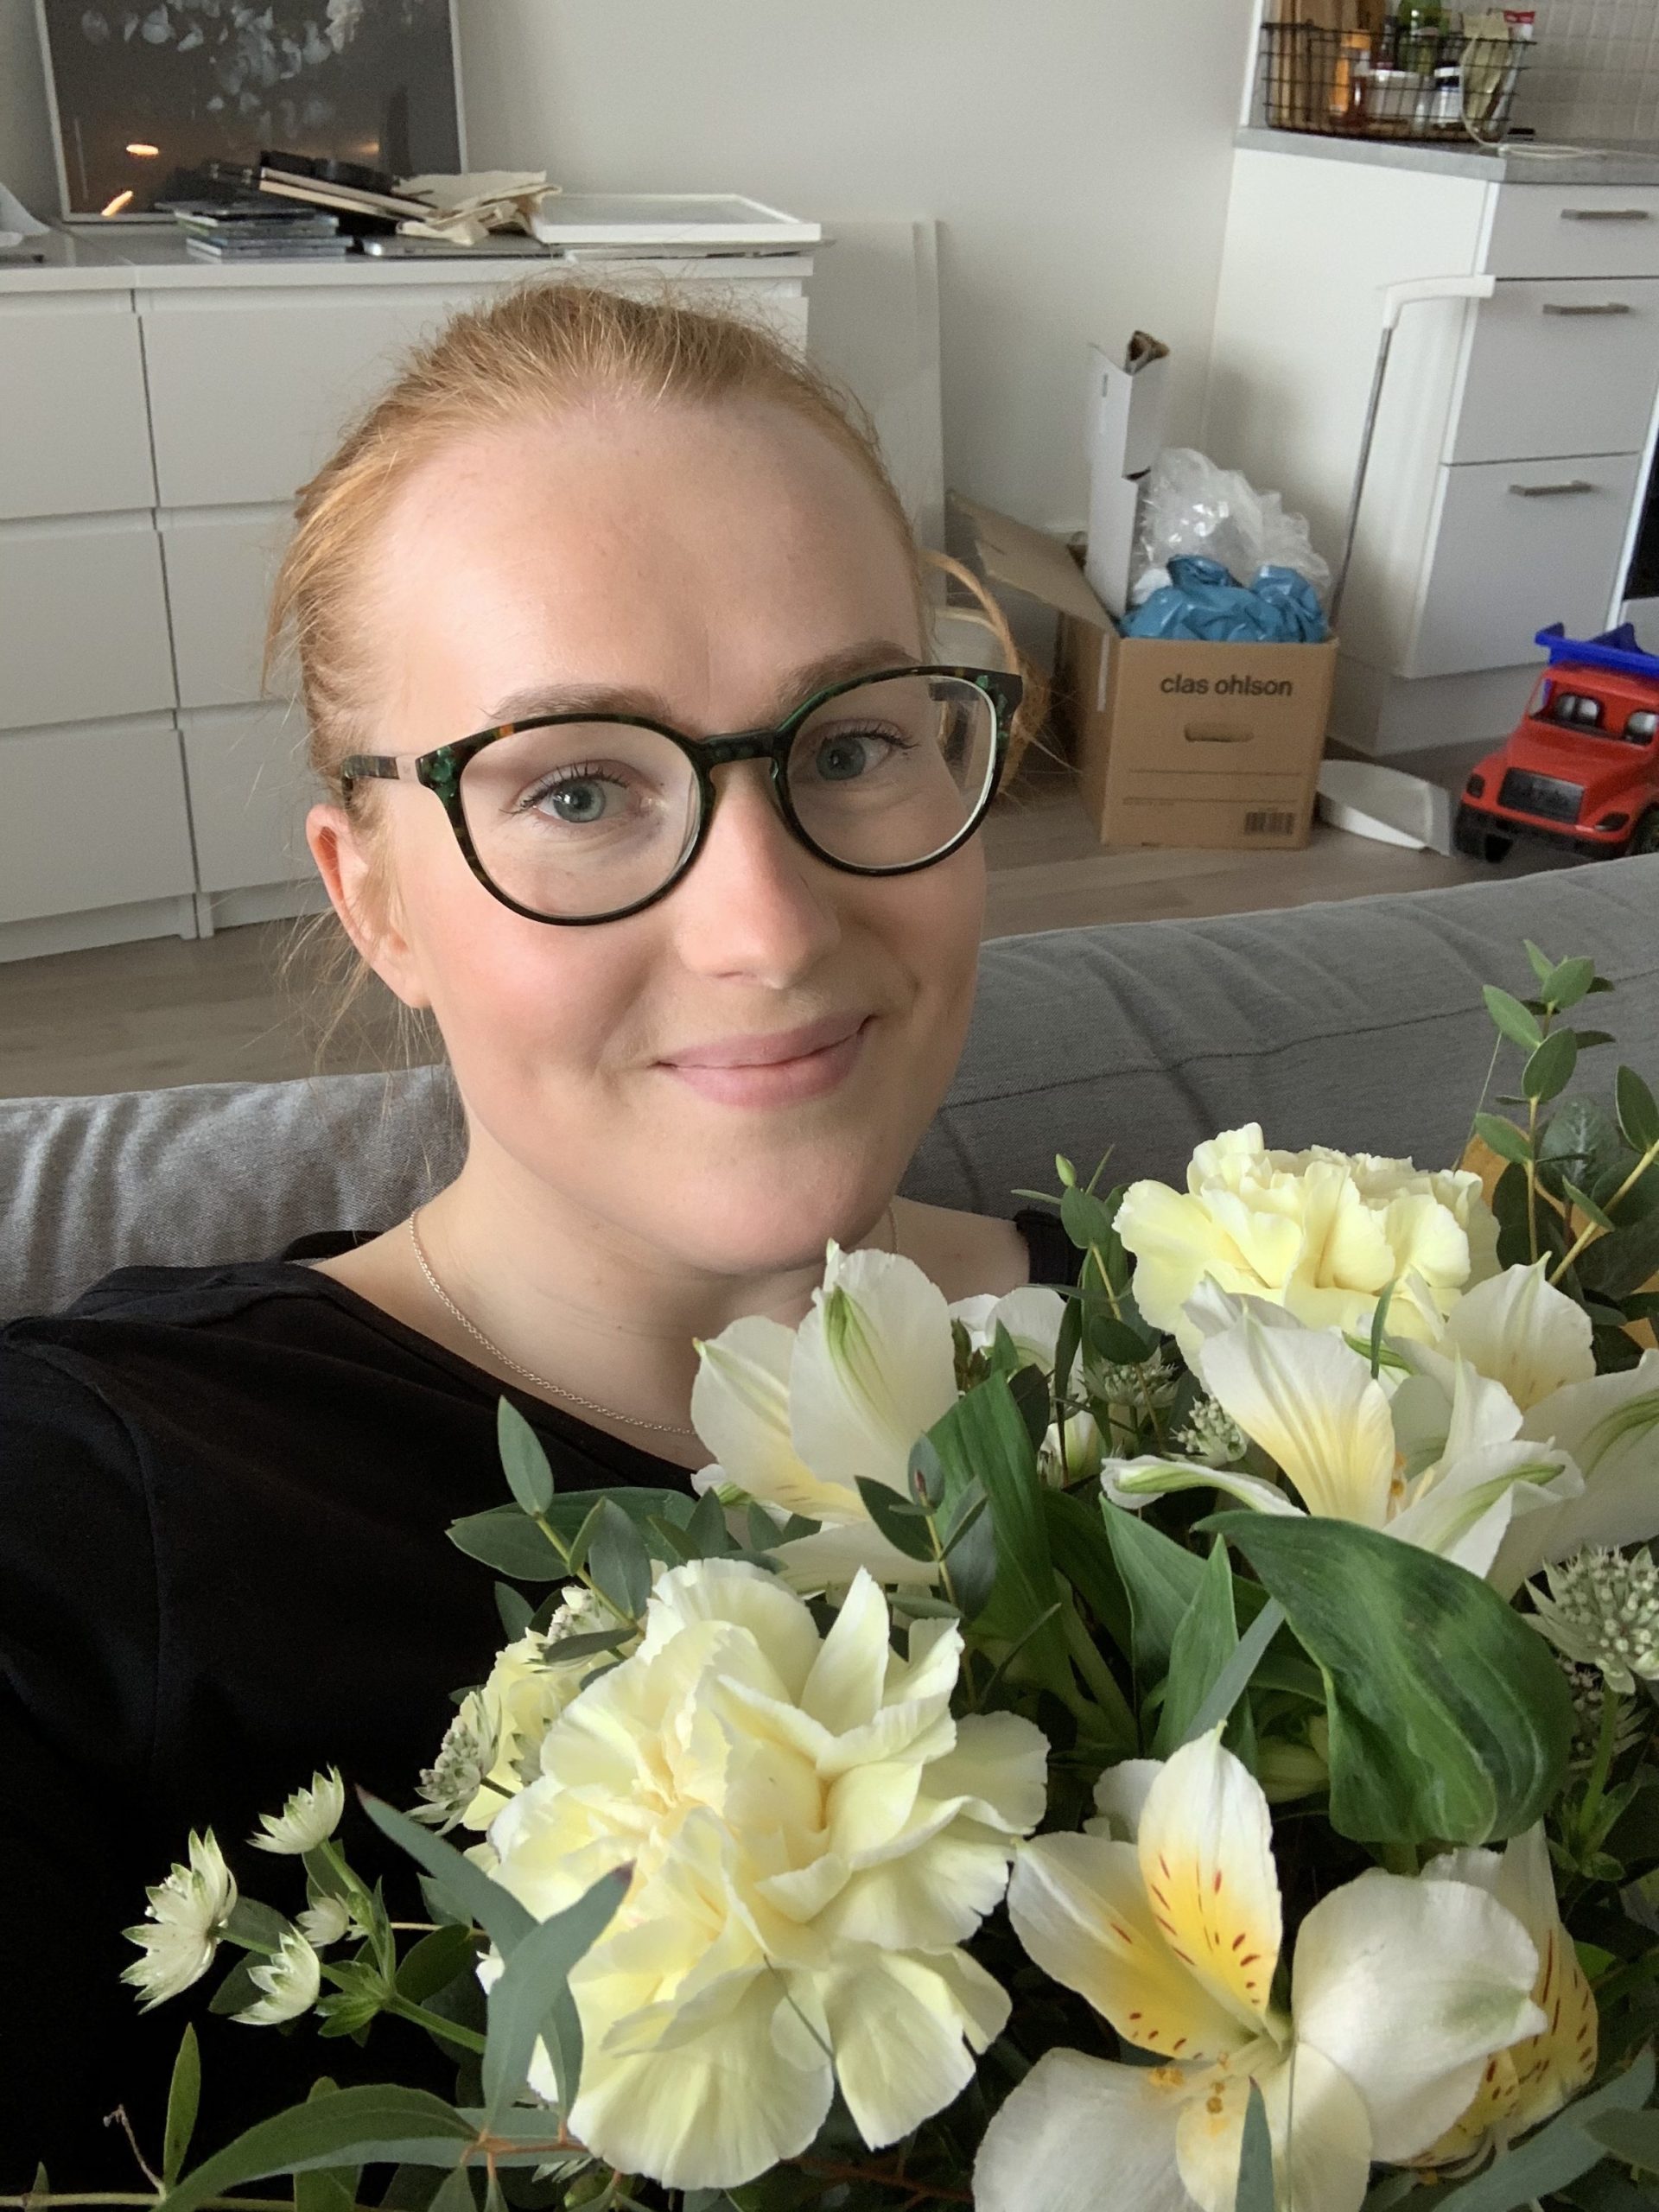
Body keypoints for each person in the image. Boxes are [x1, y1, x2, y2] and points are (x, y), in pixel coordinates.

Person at [0, 283, 1073, 2181]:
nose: (768, 928)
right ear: (376, 899)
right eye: (578, 788)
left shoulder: (1221, 1344)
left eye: (848, 748)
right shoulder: (96, 1507)